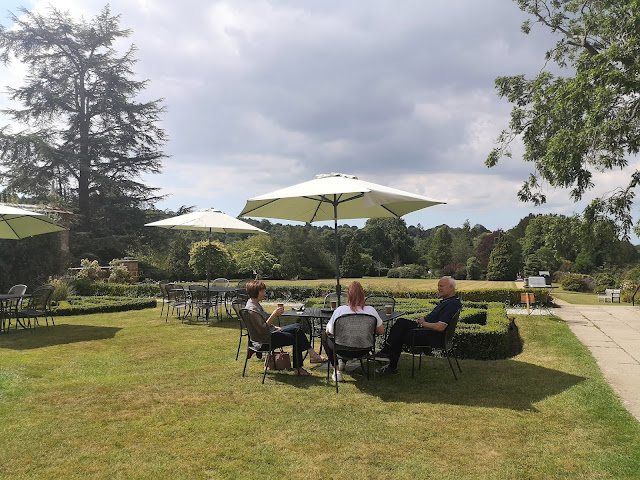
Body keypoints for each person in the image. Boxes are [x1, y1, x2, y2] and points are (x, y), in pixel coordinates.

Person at [376, 276, 462, 375]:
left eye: (441, 286)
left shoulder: (451, 304)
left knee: (399, 331)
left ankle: (388, 356)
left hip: (431, 336)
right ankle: (389, 359)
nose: (439, 288)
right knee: (400, 325)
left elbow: (440, 327)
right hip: (427, 331)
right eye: (438, 286)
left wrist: (423, 323)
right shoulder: (450, 301)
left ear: (451, 287)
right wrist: (424, 319)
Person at [245, 280, 326, 376]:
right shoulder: (252, 309)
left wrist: (275, 328)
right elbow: (262, 329)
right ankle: (304, 364)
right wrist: (274, 315)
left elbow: (262, 326)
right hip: (265, 341)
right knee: (297, 335)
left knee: (297, 327)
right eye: (262, 291)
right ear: (255, 292)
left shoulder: (254, 304)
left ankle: (311, 357)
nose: (264, 293)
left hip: (268, 335)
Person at [321, 281, 384, 382]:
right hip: (364, 349)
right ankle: (342, 364)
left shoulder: (340, 310)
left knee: (324, 335)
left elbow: (329, 331)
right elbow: (381, 331)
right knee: (352, 337)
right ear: (363, 295)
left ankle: (337, 370)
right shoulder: (371, 310)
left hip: (342, 349)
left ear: (348, 296)